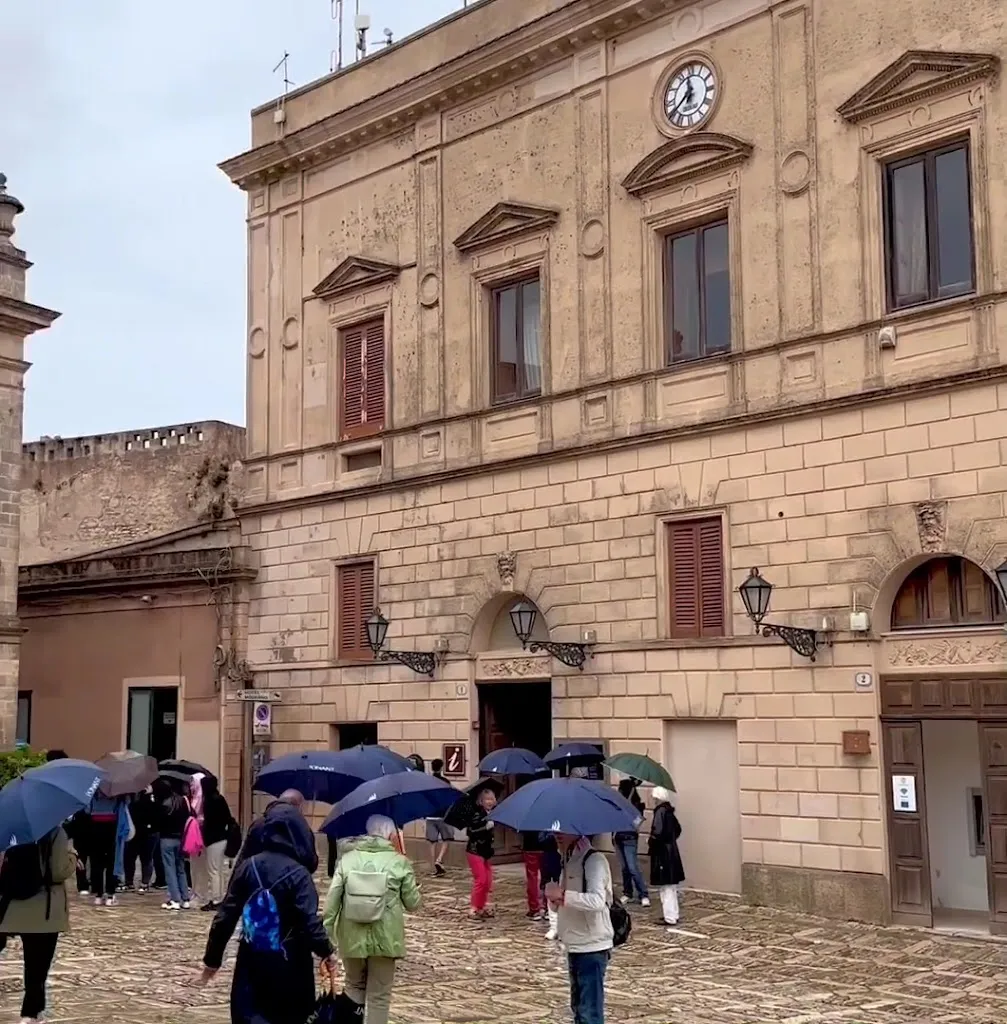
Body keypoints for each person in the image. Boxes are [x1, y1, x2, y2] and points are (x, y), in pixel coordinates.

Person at [199, 802, 337, 1024]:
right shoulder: (300, 874)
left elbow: (225, 917)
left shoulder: (247, 867)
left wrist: (213, 959)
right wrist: (327, 951)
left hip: (251, 958)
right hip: (291, 962)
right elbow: (310, 922)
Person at [323, 814, 421, 1024]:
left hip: (351, 936)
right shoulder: (399, 862)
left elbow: (331, 902)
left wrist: (328, 939)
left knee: (353, 986)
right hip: (386, 939)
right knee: (379, 997)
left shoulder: (347, 860)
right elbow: (413, 903)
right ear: (390, 834)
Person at [0, 825, 77, 1022]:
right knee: (38, 965)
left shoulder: (13, 829)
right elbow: (58, 872)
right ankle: (31, 1013)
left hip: (15, 906)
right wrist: (72, 855)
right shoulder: (54, 832)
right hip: (45, 910)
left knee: (32, 962)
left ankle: (37, 1009)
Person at [545, 833, 614, 1024]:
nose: (557, 834)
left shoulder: (594, 860)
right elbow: (563, 904)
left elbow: (597, 901)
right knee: (578, 1008)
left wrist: (563, 895)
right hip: (574, 942)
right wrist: (553, 899)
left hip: (592, 946)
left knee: (589, 1012)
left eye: (563, 829)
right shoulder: (567, 860)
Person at [234, 789, 306, 869]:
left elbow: (244, 857)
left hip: (259, 872)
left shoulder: (258, 824)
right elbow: (310, 861)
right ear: (298, 806)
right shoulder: (301, 830)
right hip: (290, 874)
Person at [648, 786, 685, 928]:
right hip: (671, 852)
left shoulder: (660, 812)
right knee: (671, 887)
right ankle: (673, 914)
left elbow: (657, 833)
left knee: (666, 888)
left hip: (663, 854)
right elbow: (678, 829)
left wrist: (651, 842)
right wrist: (670, 839)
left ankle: (669, 917)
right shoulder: (669, 812)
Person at [612, 778, 650, 908]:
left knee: (632, 867)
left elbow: (638, 821)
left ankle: (643, 894)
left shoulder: (635, 804)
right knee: (624, 868)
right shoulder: (617, 803)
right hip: (618, 837)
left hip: (629, 838)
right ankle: (627, 892)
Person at [198, 775, 234, 911]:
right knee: (218, 870)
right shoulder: (219, 798)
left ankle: (216, 899)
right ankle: (219, 897)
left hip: (214, 839)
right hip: (221, 838)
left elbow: (210, 821)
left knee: (213, 870)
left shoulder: (210, 801)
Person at [155, 778, 191, 910]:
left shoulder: (163, 804)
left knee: (170, 869)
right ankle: (185, 898)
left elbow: (158, 822)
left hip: (167, 839)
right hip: (181, 838)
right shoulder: (181, 801)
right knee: (180, 868)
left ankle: (175, 899)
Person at [465, 788, 496, 920]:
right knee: (481, 880)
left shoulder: (492, 814)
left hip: (485, 852)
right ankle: (473, 908)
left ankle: (481, 907)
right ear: (481, 801)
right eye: (486, 799)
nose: (489, 802)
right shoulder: (477, 814)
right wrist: (486, 827)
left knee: (487, 881)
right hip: (475, 850)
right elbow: (470, 832)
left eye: (491, 799)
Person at [87, 790, 121, 907]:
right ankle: (110, 894)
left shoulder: (93, 789)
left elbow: (87, 810)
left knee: (96, 862)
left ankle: (98, 895)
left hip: (94, 826)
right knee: (111, 861)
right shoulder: (116, 791)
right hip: (111, 826)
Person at [125, 787, 158, 892]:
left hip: (147, 832)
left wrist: (150, 796)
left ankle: (144, 883)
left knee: (146, 858)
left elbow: (155, 812)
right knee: (131, 858)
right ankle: (130, 882)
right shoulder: (131, 796)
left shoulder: (152, 798)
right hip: (136, 831)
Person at [425, 758, 451, 877]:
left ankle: (432, 866)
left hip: (430, 815)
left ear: (432, 767)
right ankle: (439, 860)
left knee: (432, 841)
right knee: (447, 838)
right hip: (443, 814)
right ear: (441, 768)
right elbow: (449, 797)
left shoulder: (427, 782)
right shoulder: (445, 782)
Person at [541, 832, 562, 940]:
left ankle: (562, 927)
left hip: (567, 863)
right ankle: (554, 926)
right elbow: (541, 840)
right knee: (551, 895)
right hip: (551, 862)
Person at [520, 830, 545, 919]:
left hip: (530, 846)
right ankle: (548, 908)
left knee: (532, 878)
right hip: (546, 845)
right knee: (547, 877)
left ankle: (534, 909)